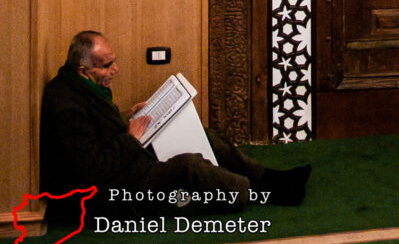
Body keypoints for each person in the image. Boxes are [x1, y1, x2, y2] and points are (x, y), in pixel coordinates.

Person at [40, 31, 310, 224]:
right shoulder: (67, 107)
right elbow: (92, 170)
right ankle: (259, 193)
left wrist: (127, 116)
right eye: (107, 65)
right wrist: (131, 139)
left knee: (202, 134)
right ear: (83, 69)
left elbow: (99, 128)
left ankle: (269, 177)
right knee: (188, 166)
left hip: (127, 160)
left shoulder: (79, 87)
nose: (116, 69)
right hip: (113, 189)